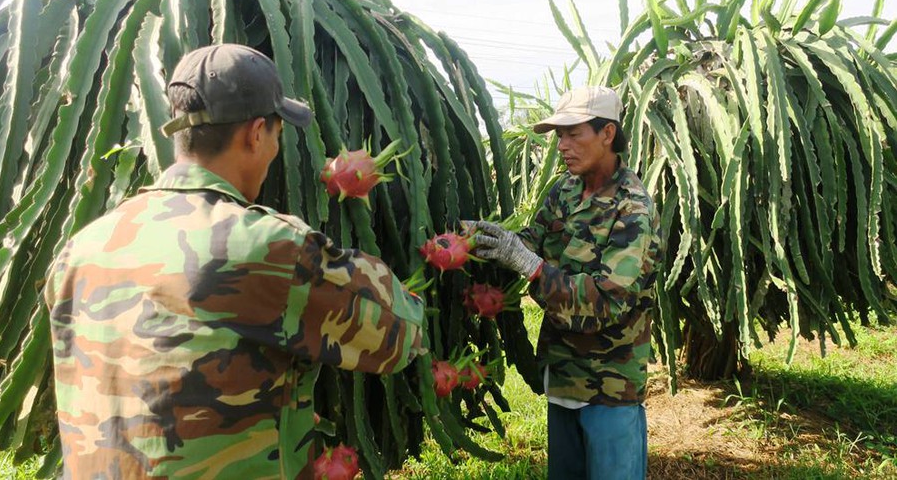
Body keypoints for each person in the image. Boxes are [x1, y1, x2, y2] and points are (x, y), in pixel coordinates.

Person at [45, 44, 425, 479]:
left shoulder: (80, 248)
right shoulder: (268, 247)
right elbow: (402, 333)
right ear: (256, 133)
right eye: (278, 135)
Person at [470, 85, 660, 480]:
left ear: (607, 134)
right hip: (562, 377)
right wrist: (480, 242)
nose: (563, 145)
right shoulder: (565, 191)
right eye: (560, 135)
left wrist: (530, 265)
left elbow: (605, 302)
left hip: (610, 389)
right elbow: (530, 241)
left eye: (575, 133)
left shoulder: (633, 208)